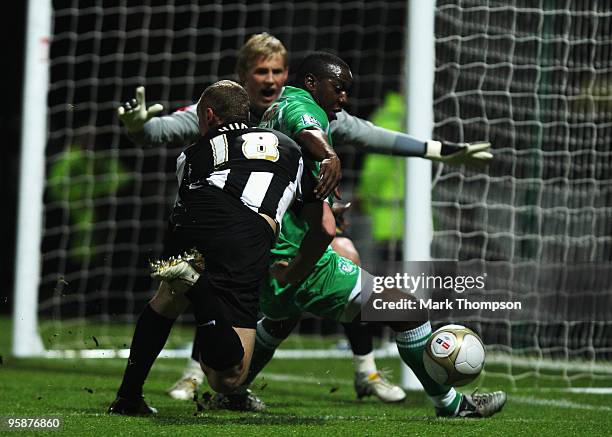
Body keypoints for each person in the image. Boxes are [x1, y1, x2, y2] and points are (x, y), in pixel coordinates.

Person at [117, 33, 492, 408]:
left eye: (277, 71)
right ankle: (448, 402)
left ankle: (228, 384)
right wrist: (328, 157)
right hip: (289, 251)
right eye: (339, 89)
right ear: (245, 76)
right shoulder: (285, 106)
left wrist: (441, 151)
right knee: (404, 308)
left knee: (269, 327)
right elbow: (307, 130)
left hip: (243, 244)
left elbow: (369, 135)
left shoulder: (262, 114)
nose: (270, 79)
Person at [108, 80, 308, 415]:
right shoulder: (292, 148)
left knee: (168, 297)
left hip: (194, 220)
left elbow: (188, 199)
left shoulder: (194, 151)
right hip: (247, 235)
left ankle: (128, 396)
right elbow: (301, 206)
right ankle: (202, 292)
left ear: (209, 116)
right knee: (226, 378)